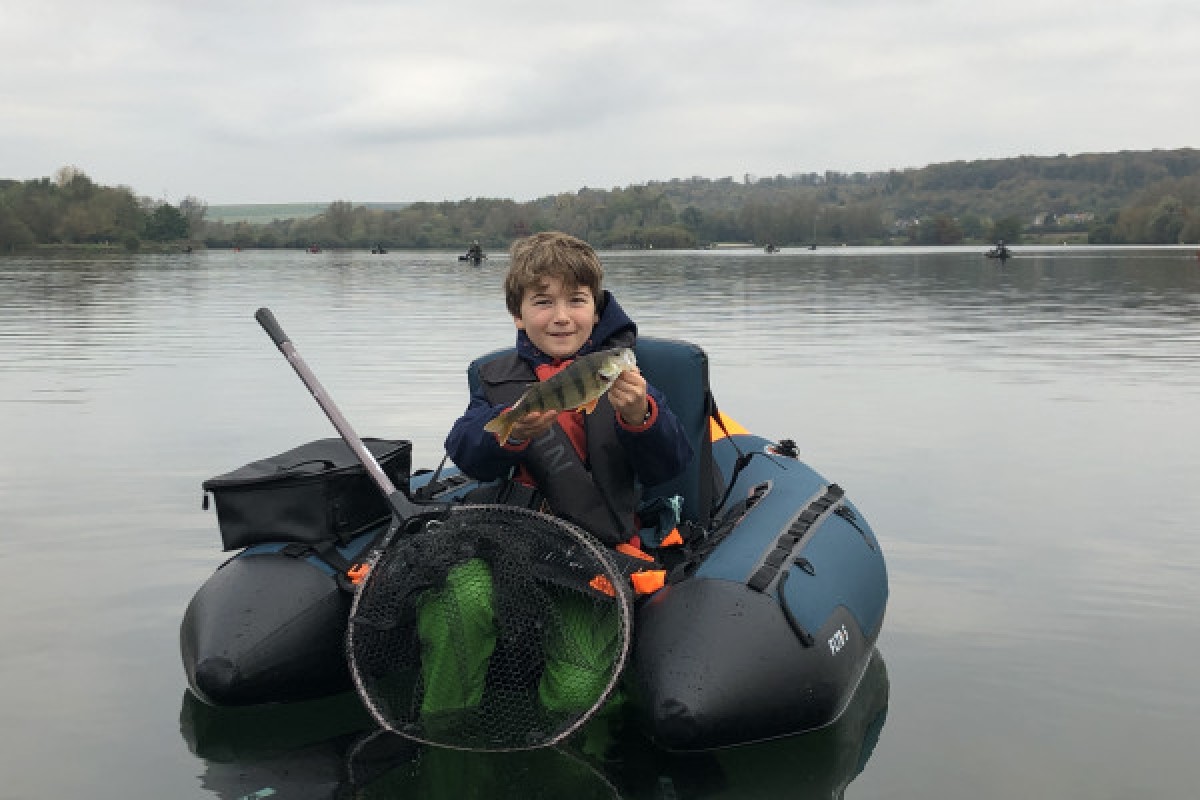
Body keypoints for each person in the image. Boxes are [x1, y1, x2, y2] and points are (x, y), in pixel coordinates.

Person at [420, 231, 693, 724]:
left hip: (595, 551)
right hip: (507, 543)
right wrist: (510, 432)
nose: (562, 315)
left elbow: (669, 465)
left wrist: (640, 417)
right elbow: (467, 453)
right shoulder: (496, 380)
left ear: (597, 307)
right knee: (457, 605)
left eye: (576, 300)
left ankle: (575, 747)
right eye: (543, 301)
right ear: (518, 313)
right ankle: (444, 729)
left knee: (572, 692)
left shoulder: (628, 378)